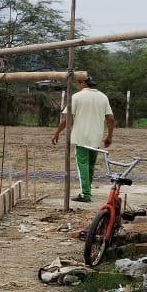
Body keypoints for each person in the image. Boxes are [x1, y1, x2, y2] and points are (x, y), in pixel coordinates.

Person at [51, 74, 114, 202]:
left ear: (82, 83)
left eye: (78, 83)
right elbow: (111, 119)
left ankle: (85, 194)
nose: (77, 86)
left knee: (83, 164)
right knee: (91, 165)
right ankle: (88, 189)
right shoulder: (103, 97)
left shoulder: (76, 97)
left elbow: (66, 119)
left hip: (81, 137)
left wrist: (56, 133)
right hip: (96, 137)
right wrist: (109, 136)